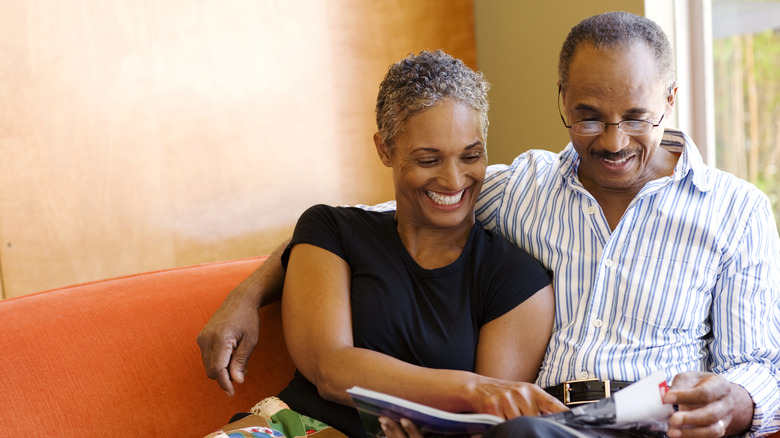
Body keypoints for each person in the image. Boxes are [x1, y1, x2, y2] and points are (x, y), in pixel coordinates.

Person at [199, 12, 780, 438]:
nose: (612, 141)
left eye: (635, 117)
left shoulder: (736, 211)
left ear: (670, 100)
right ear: (562, 101)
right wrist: (248, 293)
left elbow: (759, 363)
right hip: (541, 424)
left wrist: (739, 402)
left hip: (655, 424)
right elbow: (365, 223)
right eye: (588, 117)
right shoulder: (524, 187)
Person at [203, 50, 561, 438]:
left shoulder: (517, 280)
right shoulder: (333, 231)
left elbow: (484, 423)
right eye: (428, 160)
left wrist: (470, 403)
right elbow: (331, 369)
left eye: (471, 155)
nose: (454, 179)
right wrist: (469, 389)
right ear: (385, 149)